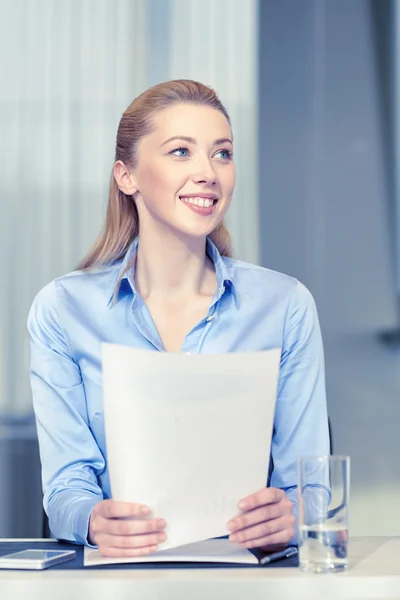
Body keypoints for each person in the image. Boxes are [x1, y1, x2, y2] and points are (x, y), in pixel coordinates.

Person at [28, 79, 329, 558]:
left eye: (222, 153)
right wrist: (91, 519)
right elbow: (65, 489)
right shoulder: (63, 311)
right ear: (127, 176)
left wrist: (291, 517)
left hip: (249, 578)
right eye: (180, 152)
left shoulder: (285, 305)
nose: (208, 172)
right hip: (120, 577)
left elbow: (312, 488)